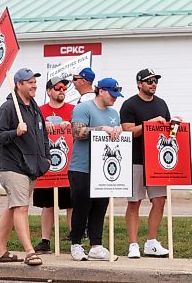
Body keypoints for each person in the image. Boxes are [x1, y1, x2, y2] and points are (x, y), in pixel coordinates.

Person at [0, 68, 51, 266]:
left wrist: (47, 158)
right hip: (13, 167)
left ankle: (0, 252)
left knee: (12, 208)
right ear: (19, 84)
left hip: (31, 167)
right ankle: (29, 251)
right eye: (30, 82)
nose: (34, 85)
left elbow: (43, 135)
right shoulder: (8, 108)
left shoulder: (34, 108)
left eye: (35, 81)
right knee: (21, 208)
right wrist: (15, 132)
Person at [120, 68, 173, 259]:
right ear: (139, 84)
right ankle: (133, 244)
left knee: (159, 201)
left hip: (157, 161)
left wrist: (174, 125)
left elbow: (167, 131)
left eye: (155, 81)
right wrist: (149, 124)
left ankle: (151, 242)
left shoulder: (162, 104)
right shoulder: (129, 105)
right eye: (149, 81)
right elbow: (126, 131)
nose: (153, 84)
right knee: (134, 202)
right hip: (136, 159)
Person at [68, 77, 123, 261]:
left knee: (100, 206)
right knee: (82, 206)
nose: (115, 98)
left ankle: (96, 245)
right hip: (82, 167)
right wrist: (102, 129)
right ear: (101, 91)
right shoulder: (84, 108)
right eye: (112, 94)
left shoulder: (114, 113)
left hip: (103, 169)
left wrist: (119, 131)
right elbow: (77, 132)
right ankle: (75, 243)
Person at [33, 77, 75, 254]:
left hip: (69, 165)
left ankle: (75, 238)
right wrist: (43, 126)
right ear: (49, 91)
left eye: (64, 87)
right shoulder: (39, 111)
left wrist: (71, 125)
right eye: (57, 87)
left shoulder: (73, 110)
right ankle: (45, 240)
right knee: (47, 204)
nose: (62, 90)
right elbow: (32, 132)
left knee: (71, 204)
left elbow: (81, 129)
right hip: (47, 166)